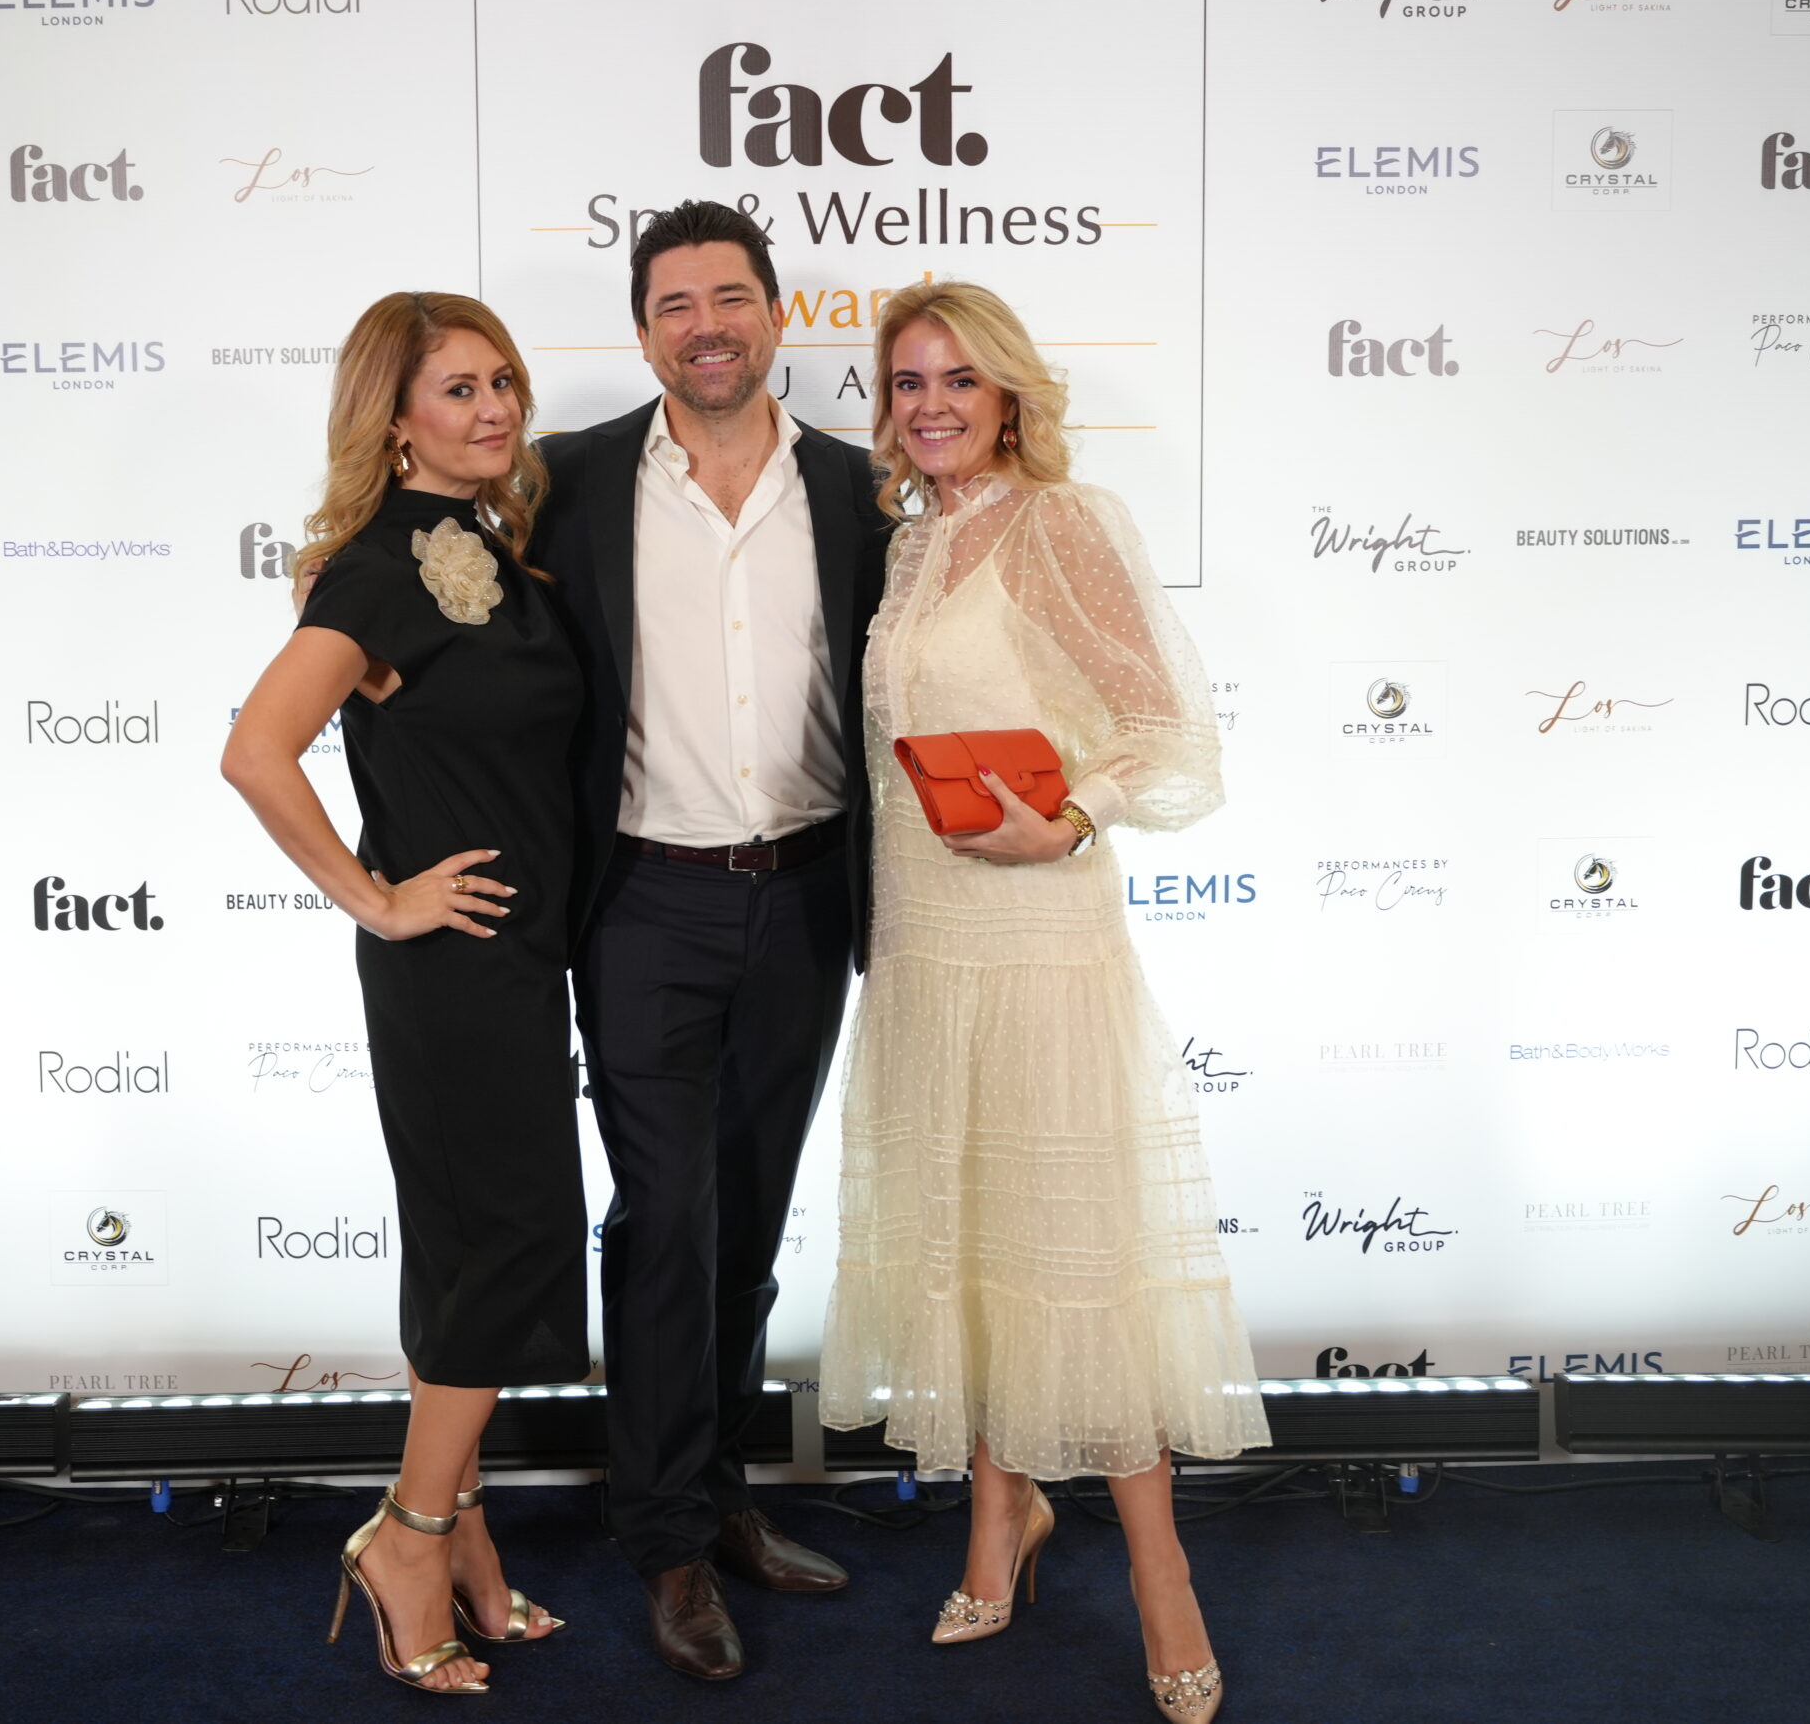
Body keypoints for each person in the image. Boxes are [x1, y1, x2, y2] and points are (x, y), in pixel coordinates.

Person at [817, 281, 1268, 1724]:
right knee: (968, 1247)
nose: (931, 405)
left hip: (1039, 942)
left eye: (959, 378)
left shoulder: (1065, 523)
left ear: (1010, 393)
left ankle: (1162, 1581)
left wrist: (1071, 819)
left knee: (1078, 1262)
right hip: (925, 946)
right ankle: (996, 1529)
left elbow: (1169, 731)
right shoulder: (910, 542)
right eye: (907, 382)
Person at [531, 200, 893, 1681]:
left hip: (805, 898)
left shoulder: (862, 490)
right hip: (642, 904)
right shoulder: (567, 481)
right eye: (675, 304)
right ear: (643, 334)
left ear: (777, 315)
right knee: (664, 1217)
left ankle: (723, 1491)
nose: (706, 326)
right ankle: (666, 1539)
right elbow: (426, 558)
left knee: (746, 1216)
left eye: (730, 297)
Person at [222, 291, 587, 1696]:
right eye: (458, 388)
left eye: (503, 381)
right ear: (394, 419)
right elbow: (257, 750)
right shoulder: (374, 572)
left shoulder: (494, 544)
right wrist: (377, 897)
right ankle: (411, 1541)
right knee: (504, 1244)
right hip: (451, 974)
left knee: (466, 1253)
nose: (495, 408)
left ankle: (469, 1541)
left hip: (517, 962)